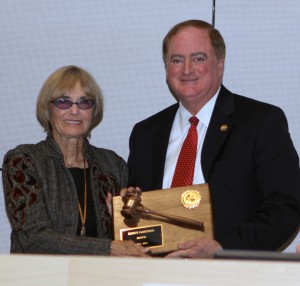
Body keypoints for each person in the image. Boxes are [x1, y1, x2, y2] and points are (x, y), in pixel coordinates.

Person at [127, 20, 300, 258]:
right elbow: (143, 217)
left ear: (220, 64)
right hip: (157, 275)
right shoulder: (145, 134)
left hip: (229, 276)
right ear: (166, 68)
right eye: (177, 60)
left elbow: (286, 206)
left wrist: (223, 249)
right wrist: (122, 216)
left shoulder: (260, 122)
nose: (186, 69)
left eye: (198, 58)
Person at [2, 65, 150, 257]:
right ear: (48, 108)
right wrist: (107, 248)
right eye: (64, 102)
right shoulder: (24, 161)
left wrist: (127, 218)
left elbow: (131, 242)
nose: (74, 111)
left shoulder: (112, 165)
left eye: (84, 102)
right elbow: (33, 238)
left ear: (93, 111)